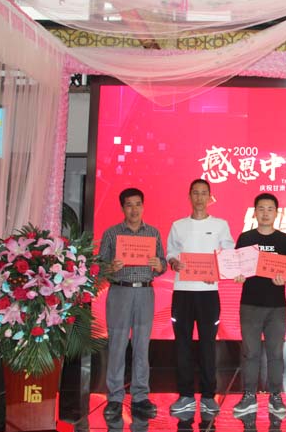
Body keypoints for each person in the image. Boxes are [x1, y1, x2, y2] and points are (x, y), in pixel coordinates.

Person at [166, 179, 234, 416]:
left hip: (208, 294)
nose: (199, 198)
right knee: (182, 344)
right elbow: (171, 252)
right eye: (195, 193)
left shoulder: (220, 225)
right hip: (182, 292)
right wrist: (173, 262)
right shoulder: (178, 225)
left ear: (209, 197)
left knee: (208, 345)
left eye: (204, 193)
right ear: (189, 197)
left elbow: (228, 255)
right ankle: (185, 395)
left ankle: (208, 395)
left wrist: (216, 270)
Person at [99, 187, 167, 419]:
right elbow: (99, 266)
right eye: (129, 205)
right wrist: (111, 267)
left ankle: (140, 396)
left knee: (141, 346)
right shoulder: (111, 234)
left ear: (143, 206)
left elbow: (162, 264)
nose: (134, 209)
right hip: (120, 291)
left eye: (138, 204)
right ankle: (115, 397)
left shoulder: (153, 233)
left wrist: (159, 265)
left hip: (145, 293)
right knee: (117, 345)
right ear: (122, 208)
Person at [232, 193, 286, 418]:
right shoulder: (246, 238)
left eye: (270, 209)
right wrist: (238, 275)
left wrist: (284, 278)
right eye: (261, 209)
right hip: (250, 304)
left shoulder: (285, 240)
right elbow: (237, 266)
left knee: (276, 353)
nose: (265, 213)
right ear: (255, 212)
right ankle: (249, 395)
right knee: (250, 353)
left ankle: (275, 396)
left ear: (276, 213)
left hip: (277, 306)